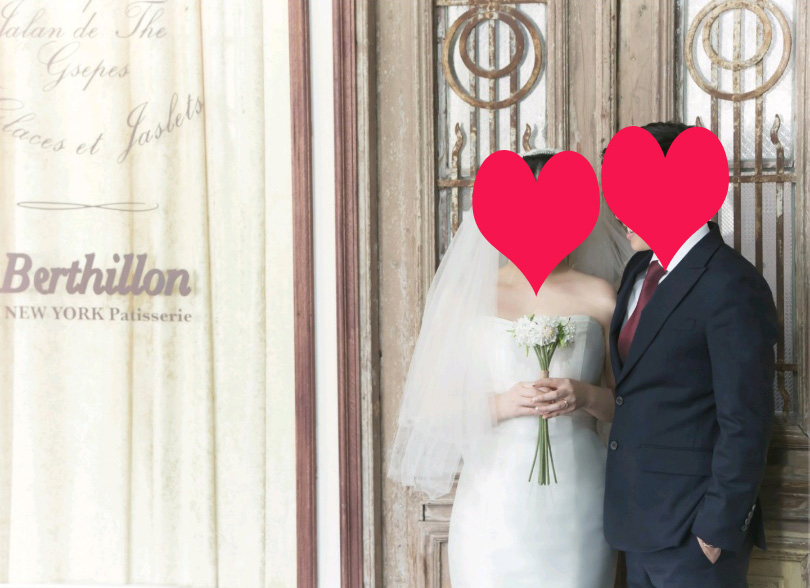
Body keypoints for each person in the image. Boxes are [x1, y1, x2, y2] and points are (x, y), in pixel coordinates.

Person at [387, 148, 633, 588]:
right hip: (493, 503)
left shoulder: (601, 296)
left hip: (579, 500)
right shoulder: (470, 297)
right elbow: (431, 409)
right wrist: (502, 404)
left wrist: (584, 395)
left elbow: (627, 405)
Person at [599, 121, 779, 587]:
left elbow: (747, 420)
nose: (618, 211)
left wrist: (715, 530)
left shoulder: (732, 284)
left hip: (695, 535)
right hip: (635, 525)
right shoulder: (638, 269)